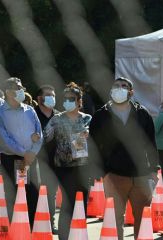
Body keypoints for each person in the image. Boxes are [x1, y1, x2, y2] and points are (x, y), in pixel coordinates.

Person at [89, 77, 159, 239]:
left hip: (142, 175)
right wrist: (102, 172)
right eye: (116, 86)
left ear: (131, 92)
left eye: (124, 86)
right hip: (114, 175)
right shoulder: (101, 115)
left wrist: (154, 170)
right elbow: (93, 146)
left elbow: (151, 143)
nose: (120, 88)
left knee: (143, 220)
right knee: (114, 220)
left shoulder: (142, 114)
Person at [0, 77, 42, 228]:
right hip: (10, 160)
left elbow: (39, 134)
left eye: (21, 88)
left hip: (31, 160)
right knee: (13, 198)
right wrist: (25, 153)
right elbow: (4, 140)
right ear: (8, 91)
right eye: (17, 88)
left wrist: (32, 152)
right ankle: (15, 231)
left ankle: (31, 230)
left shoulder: (30, 110)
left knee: (33, 196)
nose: (21, 91)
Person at [44, 82, 91, 240]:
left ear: (79, 101)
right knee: (67, 203)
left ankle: (79, 235)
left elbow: (97, 141)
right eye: (65, 99)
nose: (68, 101)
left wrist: (89, 136)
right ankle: (64, 236)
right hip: (63, 167)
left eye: (72, 98)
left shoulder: (87, 119)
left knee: (82, 203)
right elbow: (45, 138)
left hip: (83, 167)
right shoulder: (56, 119)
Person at [34, 84, 59, 234]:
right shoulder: (31, 114)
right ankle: (32, 221)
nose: (51, 98)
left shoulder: (58, 116)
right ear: (39, 98)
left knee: (51, 194)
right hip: (34, 160)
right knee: (33, 192)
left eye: (53, 95)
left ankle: (50, 223)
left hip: (54, 162)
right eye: (48, 95)